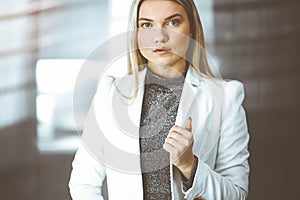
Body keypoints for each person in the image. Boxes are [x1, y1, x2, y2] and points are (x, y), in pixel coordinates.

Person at [69, 0, 250, 200]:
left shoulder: (226, 97)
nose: (159, 37)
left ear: (191, 29)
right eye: (147, 25)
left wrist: (190, 165)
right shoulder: (111, 92)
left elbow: (236, 194)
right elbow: (83, 183)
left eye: (172, 22)